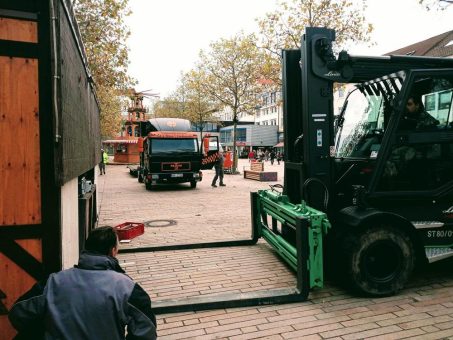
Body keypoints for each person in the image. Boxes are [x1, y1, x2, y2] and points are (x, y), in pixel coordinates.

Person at [8, 226, 157, 340]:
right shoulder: (127, 288)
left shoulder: (53, 282)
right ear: (113, 251)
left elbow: (18, 313)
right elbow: (146, 331)